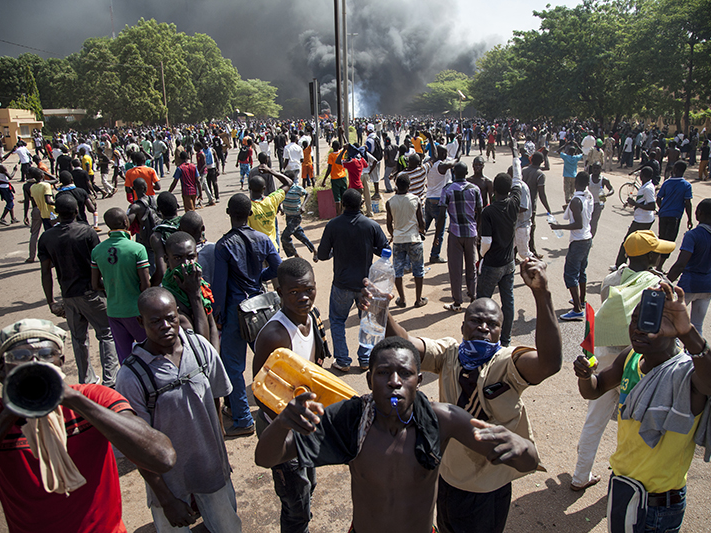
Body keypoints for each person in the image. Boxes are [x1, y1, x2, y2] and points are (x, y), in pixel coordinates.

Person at [255, 337, 539, 533]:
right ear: (369, 380)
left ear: (419, 380)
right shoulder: (351, 420)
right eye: (383, 373)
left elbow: (527, 462)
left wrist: (522, 447)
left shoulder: (441, 420)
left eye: (405, 373)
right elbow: (266, 458)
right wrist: (281, 425)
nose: (394, 381)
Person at [367, 258, 560, 533]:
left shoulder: (507, 363)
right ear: (463, 326)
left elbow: (549, 363)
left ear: (500, 332)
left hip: (488, 486)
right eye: (476, 321)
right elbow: (406, 346)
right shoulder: (449, 354)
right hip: (447, 476)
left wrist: (542, 294)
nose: (483, 327)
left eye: (491, 324)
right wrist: (382, 309)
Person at [0, 318, 176, 533]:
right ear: (1, 371)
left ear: (61, 362)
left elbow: (163, 457)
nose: (35, 364)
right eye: (20, 357)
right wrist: (11, 411)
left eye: (46, 354)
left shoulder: (92, 398)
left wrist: (73, 399)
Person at [573, 281, 711, 533]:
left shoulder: (687, 374)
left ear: (672, 330)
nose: (637, 329)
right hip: (623, 486)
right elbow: (594, 389)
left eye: (649, 322)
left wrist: (687, 331)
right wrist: (584, 376)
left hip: (659, 504)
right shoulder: (630, 357)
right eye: (635, 320)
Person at [116, 288, 240, 532]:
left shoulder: (199, 349)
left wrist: (220, 455)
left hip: (211, 471)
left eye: (170, 317)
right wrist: (166, 499)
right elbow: (136, 446)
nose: (166, 326)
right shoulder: (131, 376)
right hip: (169, 485)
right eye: (155, 321)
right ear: (141, 322)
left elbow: (215, 399)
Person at [570, 230, 674, 491]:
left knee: (595, 417)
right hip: (635, 358)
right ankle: (630, 477)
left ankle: (580, 476)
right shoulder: (656, 283)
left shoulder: (609, 279)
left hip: (605, 354)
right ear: (651, 256)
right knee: (636, 421)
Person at [252, 258, 330, 533]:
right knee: (295, 502)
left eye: (308, 289)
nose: (304, 297)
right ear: (280, 292)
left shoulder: (313, 316)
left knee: (309, 484)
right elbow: (259, 391)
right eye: (294, 292)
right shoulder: (275, 334)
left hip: (304, 423)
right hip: (281, 426)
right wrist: (288, 422)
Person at [212, 193, 282, 436]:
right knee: (269, 360)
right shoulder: (263, 239)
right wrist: (258, 279)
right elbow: (278, 268)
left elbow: (219, 286)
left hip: (234, 310)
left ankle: (243, 418)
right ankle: (277, 407)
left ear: (229, 213)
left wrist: (217, 314)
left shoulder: (223, 246)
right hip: (260, 305)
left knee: (234, 365)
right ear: (250, 214)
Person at [38, 195, 119, 386]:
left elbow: (45, 272)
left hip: (68, 295)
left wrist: (51, 301)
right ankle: (110, 380)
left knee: (78, 339)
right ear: (77, 211)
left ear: (56, 213)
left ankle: (86, 380)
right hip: (91, 293)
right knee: (106, 333)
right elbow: (99, 263)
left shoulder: (47, 237)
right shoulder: (87, 232)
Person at [317, 188, 388, 372]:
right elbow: (384, 251)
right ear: (361, 204)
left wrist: (335, 251)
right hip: (365, 285)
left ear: (342, 205)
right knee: (367, 319)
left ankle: (342, 360)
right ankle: (365, 359)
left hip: (342, 284)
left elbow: (323, 255)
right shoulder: (371, 226)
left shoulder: (333, 225)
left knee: (337, 320)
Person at [91, 207, 151, 363]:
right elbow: (145, 286)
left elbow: (95, 284)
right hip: (137, 310)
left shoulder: (97, 251)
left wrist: (114, 285)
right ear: (126, 222)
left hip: (114, 311)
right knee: (150, 352)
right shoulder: (137, 249)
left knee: (125, 358)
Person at [667, 199, 711, 333]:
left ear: (699, 213)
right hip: (707, 285)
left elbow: (680, 265)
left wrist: (666, 282)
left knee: (674, 323)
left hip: (689, 285)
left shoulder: (693, 235)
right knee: (697, 326)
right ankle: (696, 353)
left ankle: (676, 353)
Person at [477, 173, 521, 347]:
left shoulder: (488, 211)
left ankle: (481, 340)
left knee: (482, 304)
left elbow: (486, 241)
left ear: (493, 190)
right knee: (507, 302)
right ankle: (505, 341)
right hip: (509, 263)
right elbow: (517, 180)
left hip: (492, 264)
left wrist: (481, 255)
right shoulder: (514, 203)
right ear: (509, 190)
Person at [161, 231, 219, 351]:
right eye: (178, 258)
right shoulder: (167, 298)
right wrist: (194, 294)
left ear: (197, 256)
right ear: (167, 259)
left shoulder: (198, 284)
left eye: (190, 257)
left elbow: (211, 325)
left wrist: (215, 360)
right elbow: (201, 341)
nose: (185, 264)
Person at [437, 162, 482, 313]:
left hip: (455, 233)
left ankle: (457, 302)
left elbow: (442, 215)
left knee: (455, 269)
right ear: (467, 172)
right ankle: (473, 298)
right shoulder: (475, 189)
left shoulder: (447, 189)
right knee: (471, 267)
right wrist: (479, 232)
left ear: (454, 173)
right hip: (471, 232)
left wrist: (438, 235)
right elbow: (480, 211)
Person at [549, 171, 594, 321]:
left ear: (575, 183)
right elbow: (583, 215)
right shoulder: (588, 196)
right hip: (587, 238)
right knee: (581, 271)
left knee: (570, 273)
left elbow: (578, 224)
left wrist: (558, 227)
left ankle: (577, 309)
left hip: (579, 240)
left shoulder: (576, 200)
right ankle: (581, 300)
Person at [386, 173, 427, 309]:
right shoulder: (415, 200)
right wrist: (421, 230)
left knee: (397, 271)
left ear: (396, 185)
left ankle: (402, 299)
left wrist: (394, 234)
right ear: (409, 186)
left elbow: (389, 224)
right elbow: (422, 222)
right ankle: (418, 299)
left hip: (398, 240)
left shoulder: (390, 202)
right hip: (414, 239)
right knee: (418, 270)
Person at [613, 167, 657, 269]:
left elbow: (652, 206)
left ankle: (620, 265)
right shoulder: (645, 186)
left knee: (627, 242)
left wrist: (635, 203)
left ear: (643, 176)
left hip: (642, 221)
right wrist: (633, 204)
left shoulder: (648, 189)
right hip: (641, 218)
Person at [655, 161, 693, 269]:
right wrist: (690, 219)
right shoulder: (686, 185)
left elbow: (658, 198)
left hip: (663, 215)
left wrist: (662, 208)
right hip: (675, 216)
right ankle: (659, 265)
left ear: (674, 170)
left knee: (661, 238)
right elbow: (687, 203)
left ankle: (656, 262)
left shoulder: (666, 183)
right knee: (669, 240)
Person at [248, 168, 293, 252]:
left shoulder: (248, 207)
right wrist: (271, 171)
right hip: (272, 248)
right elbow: (289, 182)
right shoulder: (272, 200)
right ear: (264, 188)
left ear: (250, 188)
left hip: (257, 250)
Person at [280, 173, 317, 261]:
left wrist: (303, 205)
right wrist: (281, 208)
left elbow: (307, 194)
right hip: (288, 216)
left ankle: (296, 255)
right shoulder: (282, 189)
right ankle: (314, 250)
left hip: (296, 217)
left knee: (285, 237)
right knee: (300, 235)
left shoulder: (297, 189)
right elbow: (278, 199)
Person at [587, 162, 614, 238]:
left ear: (600, 169)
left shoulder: (604, 180)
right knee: (586, 221)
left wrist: (606, 195)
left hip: (598, 204)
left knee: (594, 222)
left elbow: (611, 189)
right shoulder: (588, 178)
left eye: (597, 168)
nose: (595, 170)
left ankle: (590, 238)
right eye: (594, 168)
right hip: (588, 203)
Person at [322, 140, 348, 216]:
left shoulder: (331, 156)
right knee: (344, 196)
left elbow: (329, 168)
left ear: (332, 147)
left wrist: (324, 180)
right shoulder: (341, 153)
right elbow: (347, 145)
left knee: (337, 199)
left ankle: (338, 215)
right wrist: (341, 134)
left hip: (335, 178)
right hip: (343, 177)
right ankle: (345, 213)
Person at [0, 153, 17, 225]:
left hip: (1, 186)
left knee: (10, 202)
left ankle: (13, 218)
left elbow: (4, 158)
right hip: (5, 186)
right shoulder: (1, 167)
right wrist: (14, 170)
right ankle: (2, 218)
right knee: (10, 203)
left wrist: (12, 151)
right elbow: (10, 177)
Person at [558, 141, 583, 205]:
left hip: (566, 175)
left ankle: (567, 202)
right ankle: (572, 201)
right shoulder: (576, 158)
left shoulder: (566, 157)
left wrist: (565, 145)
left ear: (568, 151)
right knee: (572, 190)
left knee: (567, 189)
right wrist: (577, 145)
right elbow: (582, 153)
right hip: (574, 176)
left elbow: (558, 151)